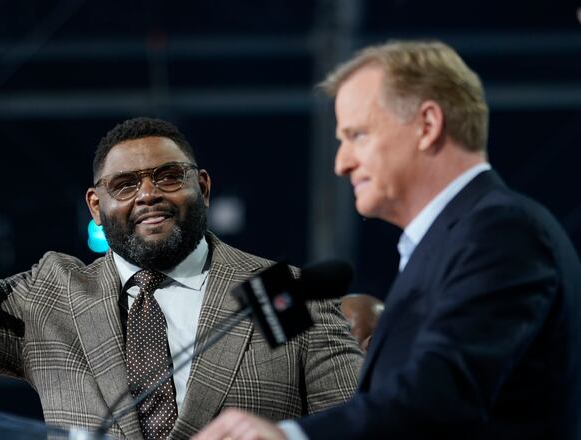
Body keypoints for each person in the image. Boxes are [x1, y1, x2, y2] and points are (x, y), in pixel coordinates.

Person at [0, 60, 364, 440]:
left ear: (202, 187)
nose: (149, 195)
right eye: (126, 184)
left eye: (167, 177)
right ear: (95, 205)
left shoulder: (286, 294)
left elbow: (356, 425)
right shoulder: (52, 296)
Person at [195, 40, 581, 439]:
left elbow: (438, 398)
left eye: (356, 135)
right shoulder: (451, 243)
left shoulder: (499, 232)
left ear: (427, 126)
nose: (341, 163)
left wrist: (288, 436)